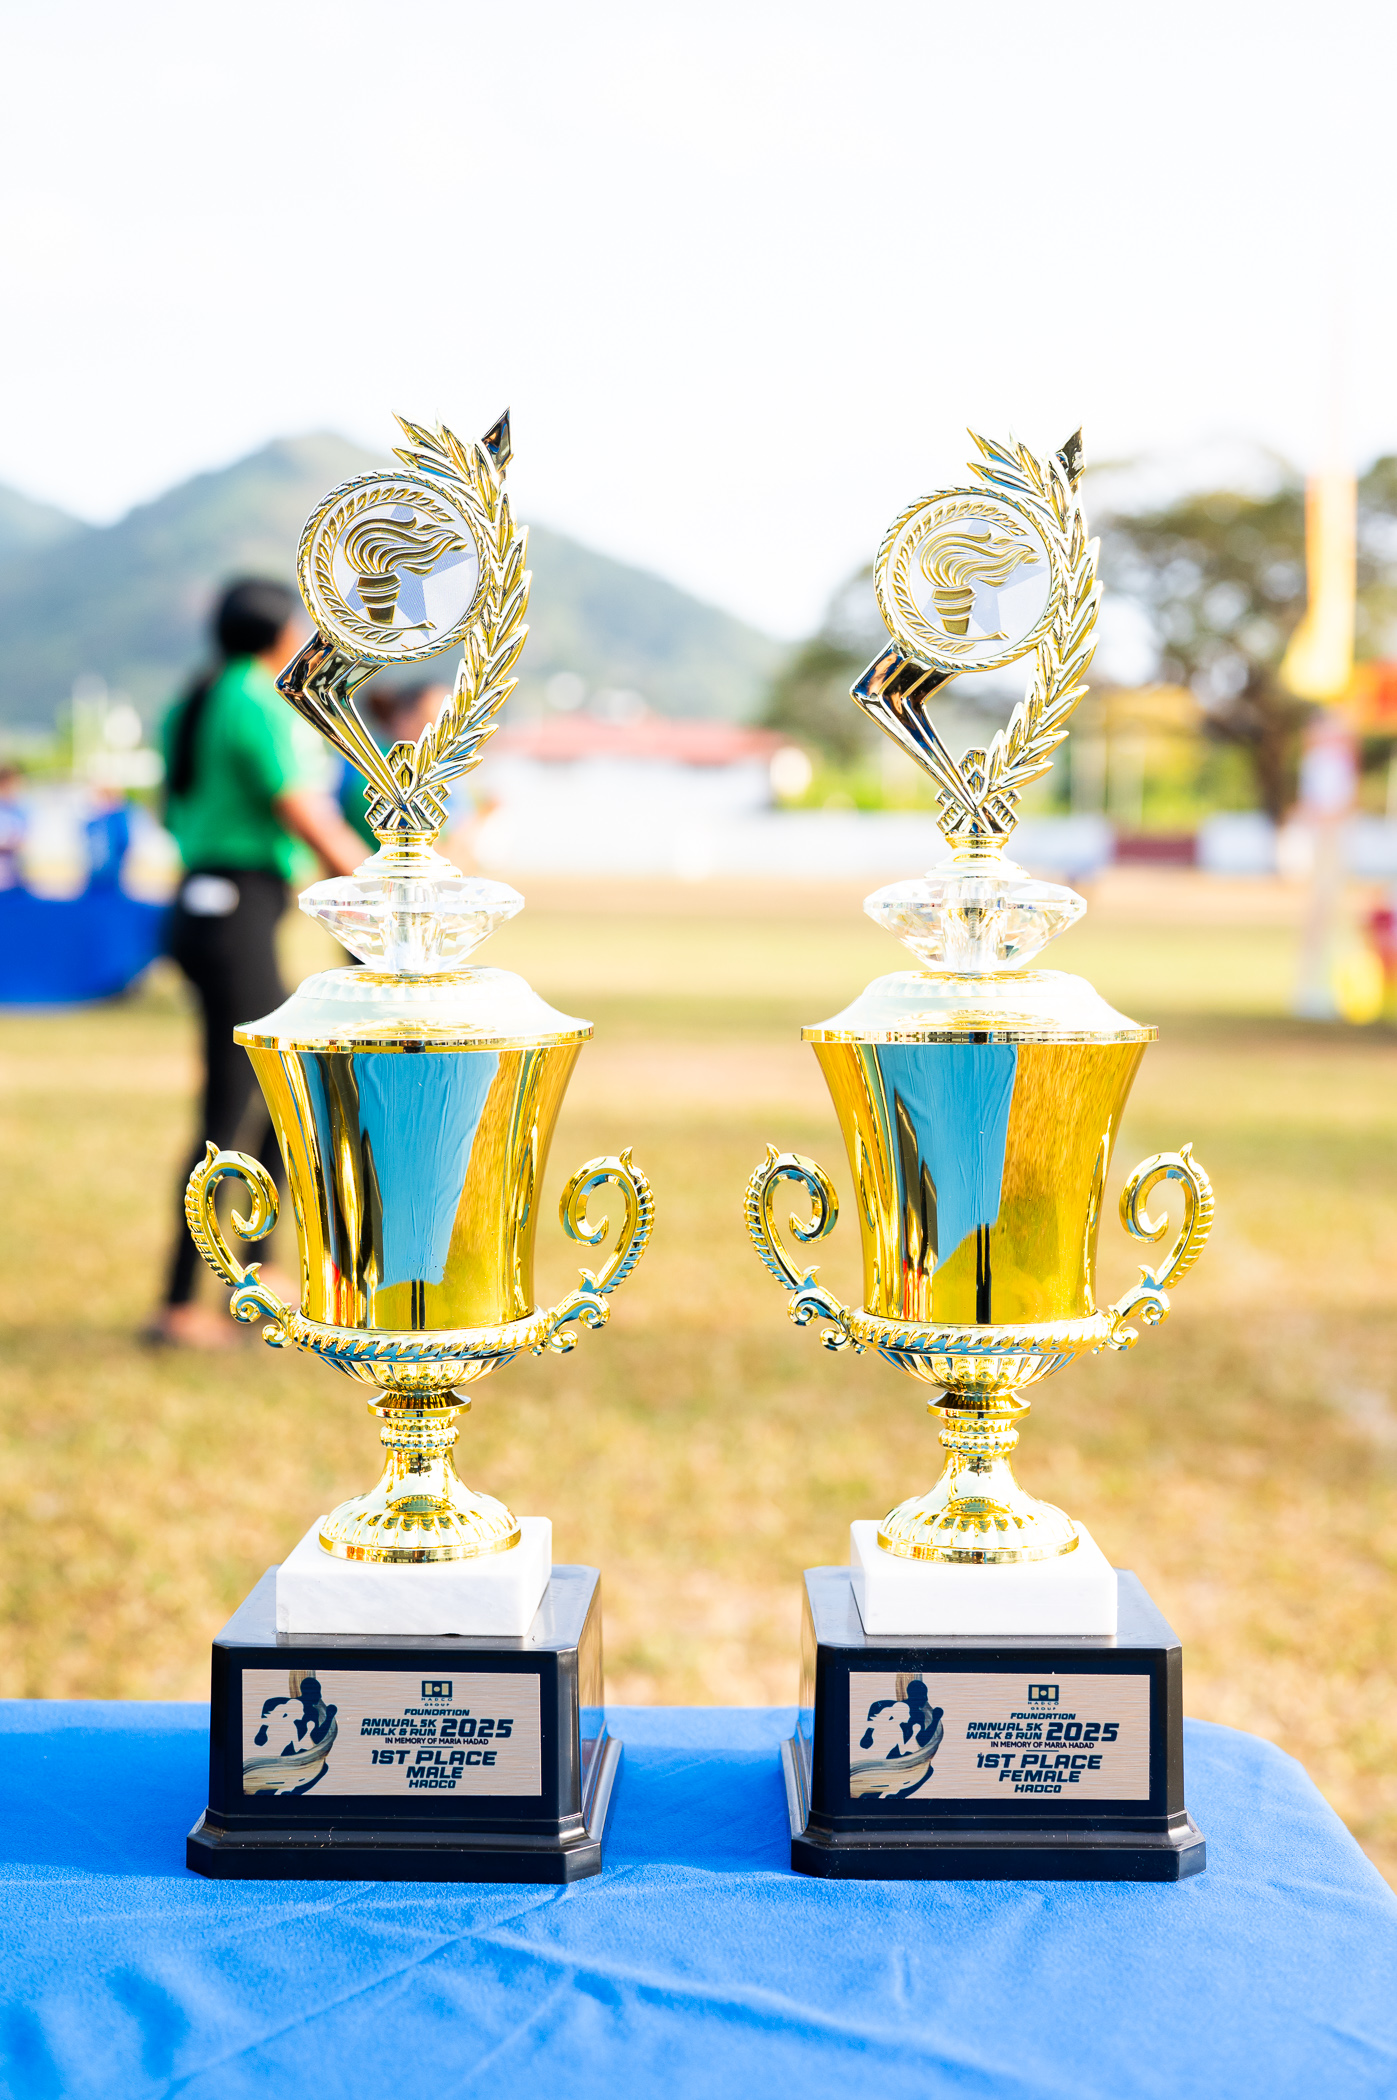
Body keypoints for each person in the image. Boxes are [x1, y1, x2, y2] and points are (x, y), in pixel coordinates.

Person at [149, 578, 364, 1347]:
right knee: (232, 1109)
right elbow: (304, 811)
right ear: (278, 632)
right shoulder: (255, 701)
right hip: (235, 909)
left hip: (207, 905)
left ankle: (259, 1273)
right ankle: (178, 1307)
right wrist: (384, 887)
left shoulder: (196, 698)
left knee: (277, 1089)